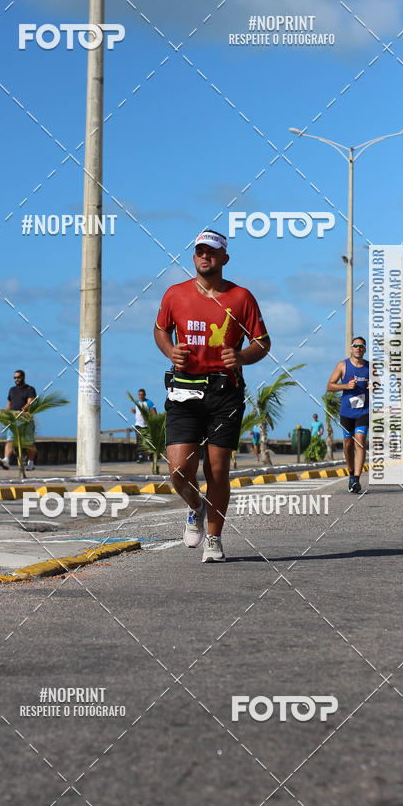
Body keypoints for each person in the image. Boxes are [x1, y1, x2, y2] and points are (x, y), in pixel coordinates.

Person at [154, 228, 271, 562]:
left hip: (224, 392)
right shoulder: (174, 294)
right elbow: (161, 329)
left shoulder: (241, 297)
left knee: (217, 471)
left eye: (211, 252)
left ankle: (215, 539)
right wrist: (169, 350)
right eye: (199, 252)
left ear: (224, 258)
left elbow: (263, 341)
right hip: (183, 390)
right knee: (178, 471)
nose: (204, 256)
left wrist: (243, 356)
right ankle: (195, 506)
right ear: (194, 257)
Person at [326, 336, 369, 493]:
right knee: (348, 444)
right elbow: (329, 386)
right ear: (351, 348)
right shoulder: (342, 365)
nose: (358, 348)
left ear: (365, 349)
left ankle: (357, 479)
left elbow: (379, 386)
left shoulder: (371, 368)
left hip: (363, 411)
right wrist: (345, 385)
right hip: (346, 412)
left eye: (361, 346)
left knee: (360, 440)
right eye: (355, 345)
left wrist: (374, 386)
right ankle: (351, 473)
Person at [0, 369, 37, 471]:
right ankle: (6, 460)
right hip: (13, 419)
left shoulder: (30, 389)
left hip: (25, 419)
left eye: (18, 377)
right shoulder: (12, 390)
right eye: (15, 378)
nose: (16, 379)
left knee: (29, 442)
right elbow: (9, 404)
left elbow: (30, 402)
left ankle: (31, 463)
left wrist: (23, 409)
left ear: (23, 377)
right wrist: (6, 415)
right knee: (10, 440)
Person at [130, 388, 157, 462]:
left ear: (145, 395)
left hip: (147, 426)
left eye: (142, 395)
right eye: (139, 395)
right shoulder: (137, 402)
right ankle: (140, 457)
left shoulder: (149, 402)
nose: (141, 396)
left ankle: (151, 455)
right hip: (138, 425)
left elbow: (154, 412)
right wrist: (133, 411)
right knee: (139, 442)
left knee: (148, 441)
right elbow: (137, 412)